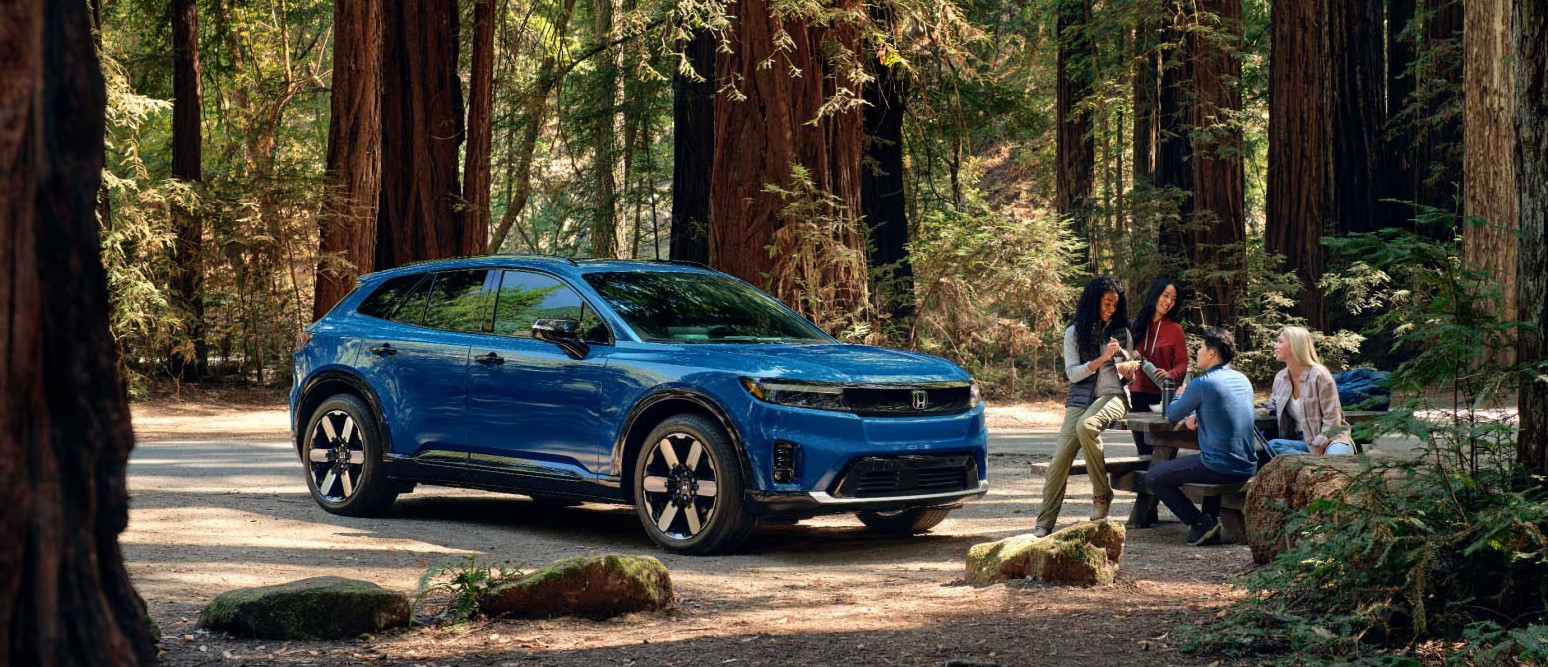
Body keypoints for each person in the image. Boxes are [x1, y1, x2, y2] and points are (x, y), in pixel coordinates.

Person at [1030, 277, 1137, 538]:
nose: (1111, 308)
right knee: (1060, 461)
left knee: (1087, 425)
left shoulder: (1123, 332)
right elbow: (1073, 374)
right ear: (1094, 301)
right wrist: (1104, 358)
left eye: (1115, 304)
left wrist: (1128, 371)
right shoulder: (1073, 333)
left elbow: (1129, 371)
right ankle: (1044, 523)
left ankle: (1102, 495)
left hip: (1114, 397)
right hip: (1080, 399)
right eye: (1107, 303)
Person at [1148, 327, 1257, 546]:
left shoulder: (1203, 383)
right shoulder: (1243, 379)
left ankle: (1199, 522)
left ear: (1212, 353)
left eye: (1200, 347)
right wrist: (1197, 411)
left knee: (1153, 477)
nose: (1196, 352)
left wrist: (1180, 396)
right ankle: (1210, 519)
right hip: (1247, 465)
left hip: (1220, 467)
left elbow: (1171, 416)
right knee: (1209, 455)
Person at [1261, 326, 1357, 457]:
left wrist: (1319, 445)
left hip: (1332, 440)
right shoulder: (1280, 377)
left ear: (1294, 345)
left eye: (1280, 341)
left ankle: (1310, 464)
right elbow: (1272, 404)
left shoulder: (1320, 375)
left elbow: (1333, 420)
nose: (1275, 346)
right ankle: (1311, 464)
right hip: (1304, 442)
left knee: (1335, 457)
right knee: (1273, 445)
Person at [1128, 278, 1188, 459]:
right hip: (1137, 394)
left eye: (1173, 299)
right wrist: (1129, 356)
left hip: (1164, 397)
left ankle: (1156, 484)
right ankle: (1145, 487)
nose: (1168, 302)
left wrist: (1169, 374)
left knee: (1162, 451)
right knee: (1144, 452)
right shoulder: (1134, 324)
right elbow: (1119, 354)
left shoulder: (1176, 330)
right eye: (1165, 295)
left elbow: (1182, 363)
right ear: (1156, 295)